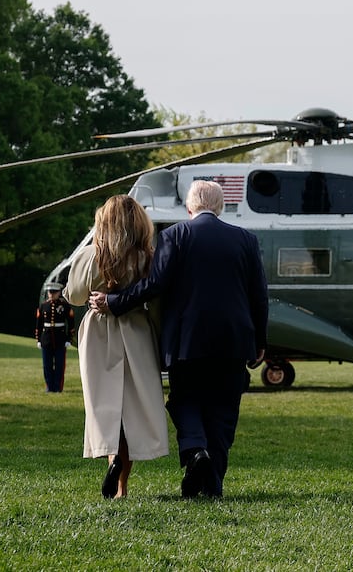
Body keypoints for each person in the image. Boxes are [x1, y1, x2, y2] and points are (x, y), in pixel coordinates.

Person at [90, 180, 268, 499]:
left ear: (189, 208)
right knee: (223, 413)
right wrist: (260, 340)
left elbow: (154, 285)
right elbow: (259, 297)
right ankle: (212, 486)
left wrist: (114, 303)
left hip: (187, 341)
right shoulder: (247, 240)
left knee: (185, 400)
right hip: (233, 341)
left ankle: (195, 450)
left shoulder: (174, 236)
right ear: (220, 207)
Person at [65, 195, 169, 499]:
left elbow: (72, 295)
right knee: (131, 408)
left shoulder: (90, 255)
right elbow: (157, 303)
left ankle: (110, 460)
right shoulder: (147, 257)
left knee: (104, 404)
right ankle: (122, 484)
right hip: (136, 331)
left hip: (98, 333)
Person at [35, 282, 75, 392]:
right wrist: (38, 339)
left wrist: (69, 339)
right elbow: (39, 324)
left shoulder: (65, 306)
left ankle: (58, 387)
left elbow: (71, 323)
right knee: (47, 365)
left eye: (54, 292)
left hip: (60, 339)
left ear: (59, 293)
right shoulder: (43, 306)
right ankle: (49, 387)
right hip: (46, 339)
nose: (51, 294)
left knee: (59, 365)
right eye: (50, 292)